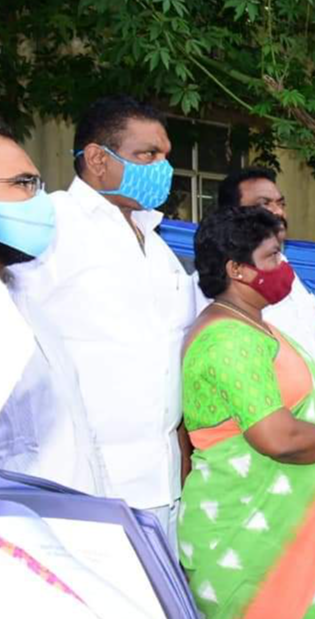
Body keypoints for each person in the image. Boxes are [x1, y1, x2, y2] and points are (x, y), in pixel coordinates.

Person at [180, 206, 315, 619]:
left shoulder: (253, 326)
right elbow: (277, 438)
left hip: (298, 529)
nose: (283, 266)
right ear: (236, 269)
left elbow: (285, 417)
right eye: (272, 256)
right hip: (256, 540)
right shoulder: (229, 339)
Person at [9, 96, 195, 549]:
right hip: (82, 488)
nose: (162, 167)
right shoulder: (51, 224)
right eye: (147, 155)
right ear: (96, 158)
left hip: (164, 484)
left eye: (165, 156)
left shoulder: (159, 246)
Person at [0, 122, 108, 495]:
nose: (41, 200)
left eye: (38, 184)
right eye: (23, 184)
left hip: (64, 529)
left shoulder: (21, 298)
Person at [194, 167, 315, 385]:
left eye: (281, 203)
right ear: (232, 214)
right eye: (264, 204)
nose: (278, 213)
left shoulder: (289, 276)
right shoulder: (215, 285)